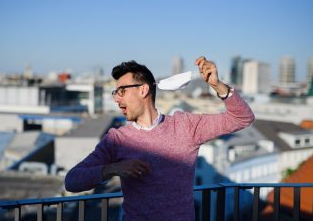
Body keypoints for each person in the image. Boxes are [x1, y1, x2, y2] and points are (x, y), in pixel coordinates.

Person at [65, 56, 255, 220]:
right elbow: (72, 181)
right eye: (115, 93)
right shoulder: (117, 139)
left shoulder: (185, 125)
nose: (116, 99)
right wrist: (113, 168)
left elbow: (243, 118)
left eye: (121, 91)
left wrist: (217, 85)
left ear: (143, 90)